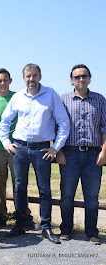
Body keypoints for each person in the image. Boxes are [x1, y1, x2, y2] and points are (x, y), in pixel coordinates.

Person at [0, 63, 70, 244]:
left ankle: (46, 227)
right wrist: (6, 142)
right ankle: (20, 224)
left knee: (44, 189)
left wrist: (56, 147)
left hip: (42, 149)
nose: (31, 79)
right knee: (19, 187)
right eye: (28, 76)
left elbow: (63, 122)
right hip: (20, 148)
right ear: (23, 78)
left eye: (35, 76)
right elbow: (4, 121)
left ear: (40, 76)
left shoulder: (51, 94)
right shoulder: (17, 97)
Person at [57, 64, 106, 245]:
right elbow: (56, 128)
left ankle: (92, 232)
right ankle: (66, 229)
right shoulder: (63, 100)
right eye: (77, 77)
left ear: (89, 78)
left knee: (92, 196)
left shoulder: (100, 100)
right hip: (69, 154)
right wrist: (59, 152)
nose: (81, 79)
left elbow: (104, 128)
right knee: (67, 194)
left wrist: (104, 151)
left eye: (84, 76)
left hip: (94, 155)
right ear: (72, 80)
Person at [0, 69, 34, 228]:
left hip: (16, 147)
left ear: (10, 80)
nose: (2, 83)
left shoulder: (18, 97)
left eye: (5, 80)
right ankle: (1, 215)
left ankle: (23, 215)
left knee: (19, 182)